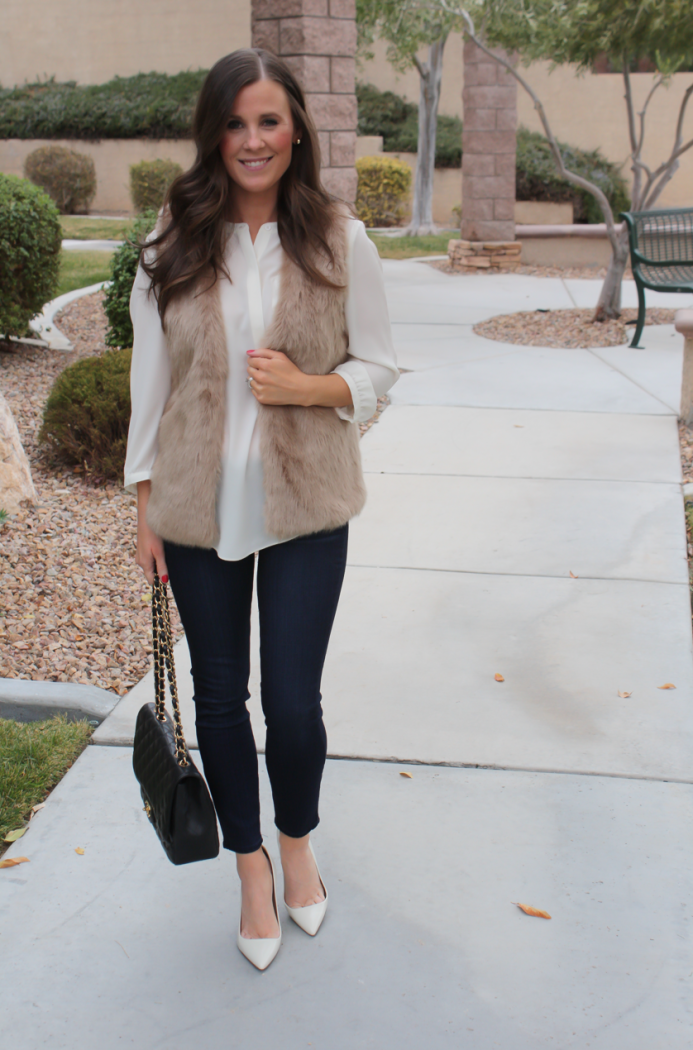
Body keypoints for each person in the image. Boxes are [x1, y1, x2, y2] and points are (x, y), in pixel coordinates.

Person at [124, 48, 398, 971]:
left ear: (295, 131)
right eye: (235, 123)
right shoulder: (172, 241)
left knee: (292, 701)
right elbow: (147, 380)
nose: (252, 140)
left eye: (269, 121)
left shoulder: (337, 238)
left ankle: (297, 844)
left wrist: (309, 387)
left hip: (307, 505)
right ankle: (248, 867)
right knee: (218, 699)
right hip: (200, 506)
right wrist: (146, 504)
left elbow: (378, 373)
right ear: (213, 133)